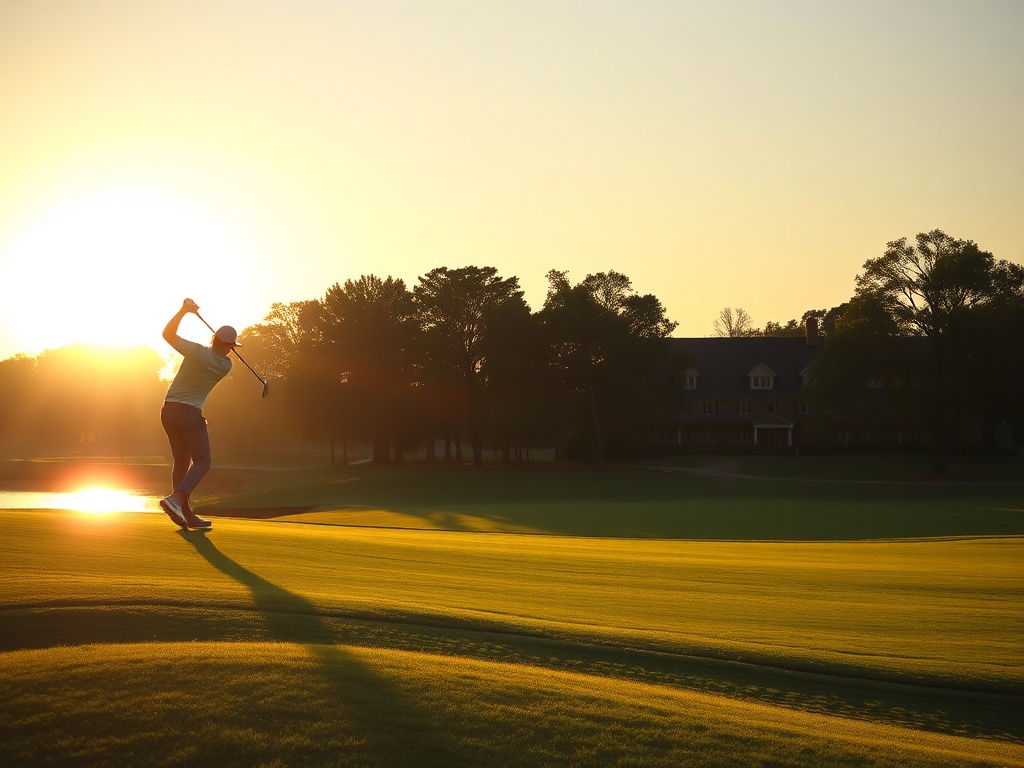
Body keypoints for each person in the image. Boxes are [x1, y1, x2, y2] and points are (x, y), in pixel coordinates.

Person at [159, 298, 241, 530]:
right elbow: (220, 354)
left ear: (213, 339)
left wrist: (184, 311)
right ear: (230, 346)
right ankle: (177, 499)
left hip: (168, 411)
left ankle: (184, 513)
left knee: (182, 460)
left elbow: (167, 334)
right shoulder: (226, 366)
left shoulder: (195, 351)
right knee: (203, 460)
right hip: (190, 414)